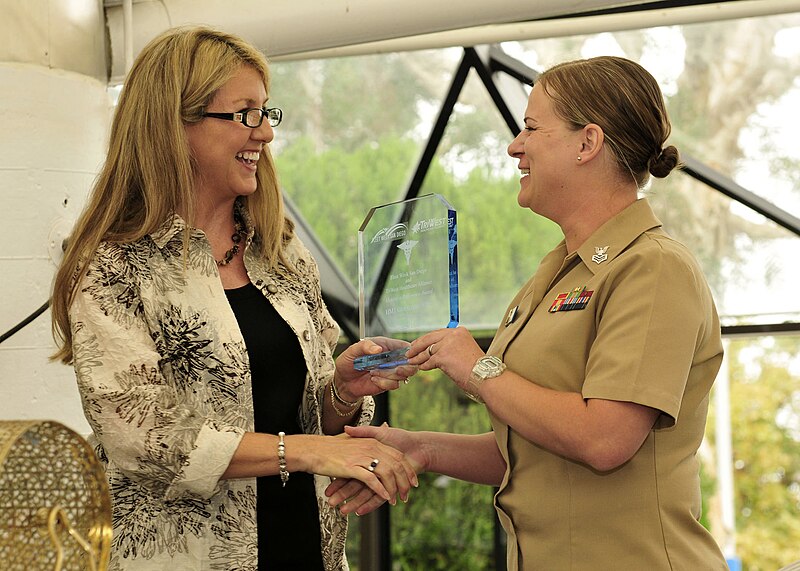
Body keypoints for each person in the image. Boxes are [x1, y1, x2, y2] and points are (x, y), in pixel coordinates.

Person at [327, 56, 728, 570]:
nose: (515, 146)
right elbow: (535, 452)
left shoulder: (652, 269)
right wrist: (420, 446)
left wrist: (478, 369)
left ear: (588, 143)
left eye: (532, 128)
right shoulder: (556, 271)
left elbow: (604, 439)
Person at [50, 25, 418, 571]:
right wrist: (309, 450)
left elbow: (312, 416)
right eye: (245, 113)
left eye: (268, 112)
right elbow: (144, 439)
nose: (265, 133)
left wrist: (339, 392)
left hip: (307, 549)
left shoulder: (282, 255)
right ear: (173, 126)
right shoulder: (111, 265)